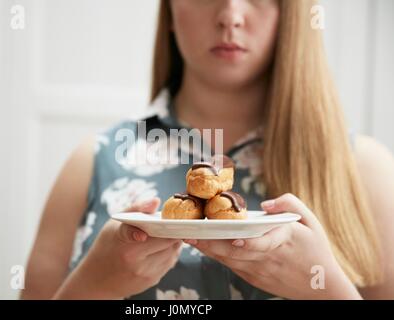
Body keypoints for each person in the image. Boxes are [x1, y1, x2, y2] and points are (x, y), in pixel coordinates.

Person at [21, 0, 394, 299]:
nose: (230, 15)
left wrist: (326, 291)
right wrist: (93, 288)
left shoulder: (366, 170)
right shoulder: (92, 162)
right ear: (169, 10)